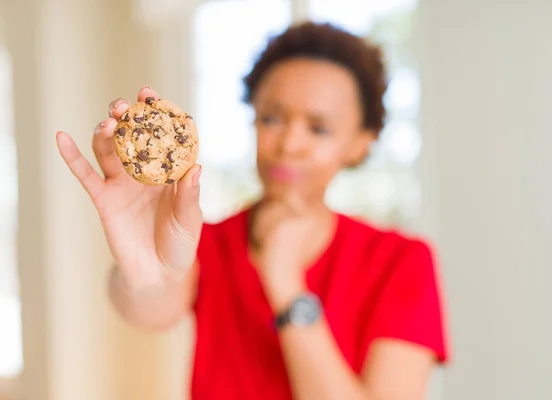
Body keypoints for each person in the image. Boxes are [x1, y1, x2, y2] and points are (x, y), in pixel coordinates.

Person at [56, 21, 449, 400]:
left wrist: (285, 282)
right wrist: (145, 274)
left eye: (318, 128)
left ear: (361, 143)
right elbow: (148, 309)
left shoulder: (402, 262)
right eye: (272, 118)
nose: (289, 142)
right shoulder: (200, 243)